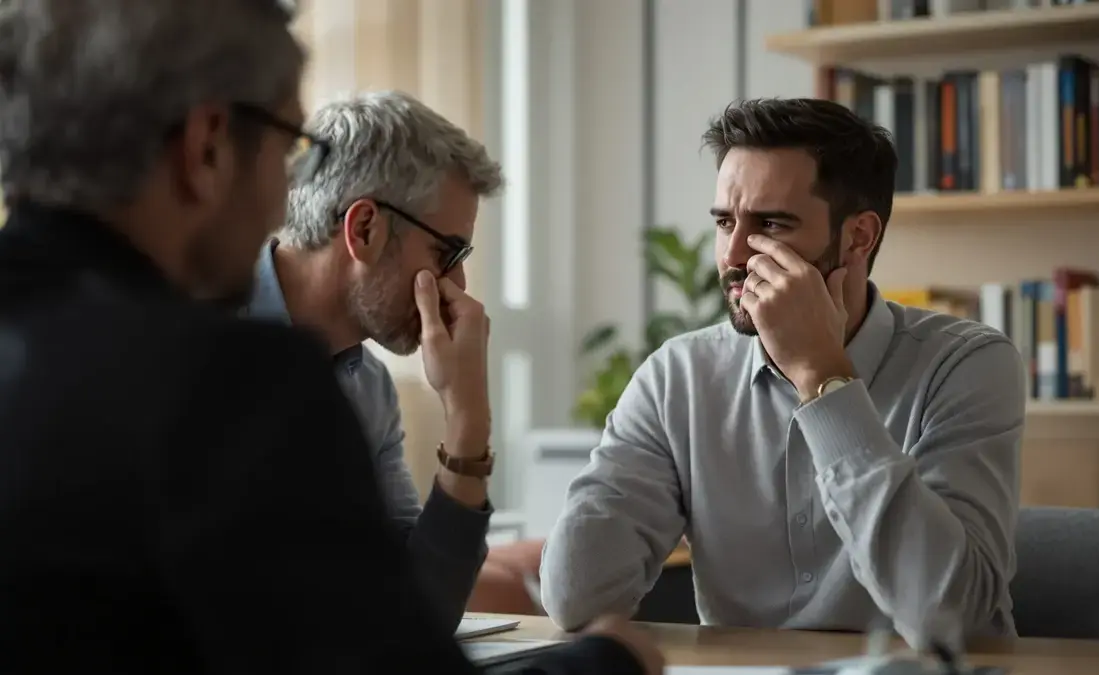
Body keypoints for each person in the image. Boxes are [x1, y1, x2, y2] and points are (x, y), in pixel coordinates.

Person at [0, 1, 661, 674]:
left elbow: (404, 612)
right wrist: (609, 660)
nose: (288, 195)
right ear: (206, 149)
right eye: (289, 146)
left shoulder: (352, 382)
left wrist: (468, 429)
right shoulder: (231, 379)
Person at [540, 97, 1025, 648]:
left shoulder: (966, 364)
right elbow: (576, 600)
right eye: (725, 222)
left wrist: (824, 380)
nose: (734, 255)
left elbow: (952, 622)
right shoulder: (679, 375)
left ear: (859, 236)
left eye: (771, 224)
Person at [245, 91, 501, 632]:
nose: (459, 286)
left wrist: (468, 425)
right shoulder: (193, 340)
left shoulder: (369, 390)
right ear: (364, 229)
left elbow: (418, 617)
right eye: (447, 253)